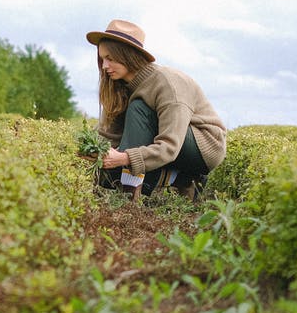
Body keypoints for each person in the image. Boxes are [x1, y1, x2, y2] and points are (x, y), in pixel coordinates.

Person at [86, 19, 226, 201]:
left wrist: (123, 159)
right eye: (102, 59)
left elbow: (169, 146)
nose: (104, 67)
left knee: (138, 108)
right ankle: (182, 180)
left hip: (203, 147)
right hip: (168, 144)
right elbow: (108, 137)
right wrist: (91, 152)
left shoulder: (167, 84)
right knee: (105, 174)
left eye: (110, 59)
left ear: (128, 56)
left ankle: (129, 197)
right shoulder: (119, 86)